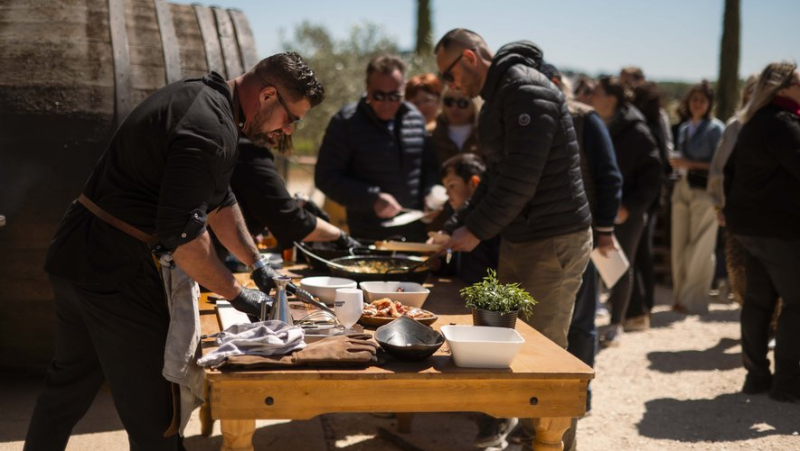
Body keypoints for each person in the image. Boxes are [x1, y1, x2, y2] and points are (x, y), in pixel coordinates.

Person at [24, 53, 325, 449]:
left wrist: (257, 262)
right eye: (291, 117)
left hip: (77, 254)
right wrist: (237, 293)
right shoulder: (209, 127)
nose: (287, 128)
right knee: (157, 419)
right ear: (268, 94)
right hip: (116, 275)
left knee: (68, 385)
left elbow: (219, 199)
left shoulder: (204, 100)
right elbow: (183, 238)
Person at [435, 29, 593, 451]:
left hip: (554, 238)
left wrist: (476, 230)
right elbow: (496, 176)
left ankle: (552, 443)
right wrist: (458, 223)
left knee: (546, 356)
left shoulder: (524, 89)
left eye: (449, 74)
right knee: (513, 346)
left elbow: (523, 177)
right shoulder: (504, 92)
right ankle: (529, 438)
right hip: (524, 236)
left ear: (469, 58)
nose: (450, 86)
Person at [539, 63, 622, 417]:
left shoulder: (585, 119)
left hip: (580, 233)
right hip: (538, 236)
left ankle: (579, 394)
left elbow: (609, 175)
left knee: (581, 319)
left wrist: (604, 229)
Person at [724, 62, 800, 403]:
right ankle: (787, 384)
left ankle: (756, 377)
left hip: (750, 229)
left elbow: (729, 173)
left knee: (758, 303)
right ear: (782, 87)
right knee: (797, 304)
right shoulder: (784, 124)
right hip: (780, 230)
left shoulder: (753, 122)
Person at [315, 54, 438, 242]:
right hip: (368, 237)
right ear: (367, 88)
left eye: (395, 96)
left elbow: (428, 167)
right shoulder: (347, 122)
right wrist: (372, 198)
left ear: (404, 89)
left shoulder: (415, 117)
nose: (387, 103)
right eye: (379, 95)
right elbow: (325, 177)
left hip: (415, 236)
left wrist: (431, 193)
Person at [592, 76, 662, 346]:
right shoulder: (595, 123)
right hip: (599, 210)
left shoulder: (637, 130)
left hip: (625, 214)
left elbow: (654, 175)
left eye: (596, 93)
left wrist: (629, 207)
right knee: (593, 265)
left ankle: (615, 324)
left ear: (611, 99)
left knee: (618, 266)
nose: (590, 97)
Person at [229, 136, 359, 252]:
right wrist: (340, 236)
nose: (288, 130)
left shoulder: (237, 144)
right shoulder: (249, 151)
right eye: (289, 119)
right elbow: (289, 219)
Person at [670, 81, 725, 314]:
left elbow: (719, 164)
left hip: (705, 191)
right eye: (694, 99)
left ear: (709, 103)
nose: (697, 104)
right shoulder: (684, 128)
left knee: (700, 246)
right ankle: (680, 296)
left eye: (702, 100)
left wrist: (689, 164)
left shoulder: (715, 129)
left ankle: (695, 300)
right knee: (679, 245)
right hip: (682, 187)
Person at [707, 74, 758, 305]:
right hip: (738, 213)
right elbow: (719, 170)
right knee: (740, 273)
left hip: (776, 216)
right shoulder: (735, 126)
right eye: (752, 89)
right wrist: (719, 206)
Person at [626, 81, 673, 329]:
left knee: (638, 253)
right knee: (642, 253)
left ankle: (639, 309)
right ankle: (646, 306)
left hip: (643, 199)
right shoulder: (653, 124)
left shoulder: (643, 128)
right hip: (650, 199)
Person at [431, 87, 481, 167]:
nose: (454, 108)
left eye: (462, 103)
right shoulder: (431, 135)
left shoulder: (484, 134)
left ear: (474, 106)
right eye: (449, 102)